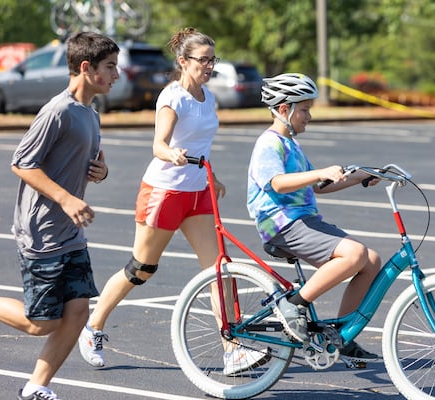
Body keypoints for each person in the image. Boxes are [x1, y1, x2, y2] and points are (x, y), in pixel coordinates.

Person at [77, 27, 269, 376]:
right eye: (203, 60)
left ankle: (233, 350)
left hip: (198, 192)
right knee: (141, 269)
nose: (209, 66)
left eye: (213, 59)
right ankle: (93, 327)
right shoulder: (172, 97)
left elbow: (202, 144)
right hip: (164, 191)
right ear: (183, 61)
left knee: (220, 272)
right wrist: (173, 154)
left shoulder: (208, 98)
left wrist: (214, 176)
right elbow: (158, 145)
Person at [0, 31, 118, 400]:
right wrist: (65, 199)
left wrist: (101, 171)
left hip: (71, 233)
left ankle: (36, 388)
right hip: (42, 232)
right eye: (109, 67)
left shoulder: (90, 114)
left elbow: (90, 161)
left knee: (78, 314)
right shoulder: (57, 111)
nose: (117, 74)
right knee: (41, 324)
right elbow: (22, 163)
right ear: (86, 68)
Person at [247, 73, 382, 364]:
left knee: (371, 261)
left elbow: (321, 186)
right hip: (282, 223)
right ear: (284, 109)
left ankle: (342, 334)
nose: (309, 116)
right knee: (355, 253)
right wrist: (320, 172)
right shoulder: (269, 144)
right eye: (305, 109)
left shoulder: (292, 145)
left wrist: (362, 175)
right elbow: (278, 183)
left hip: (303, 220)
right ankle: (294, 305)